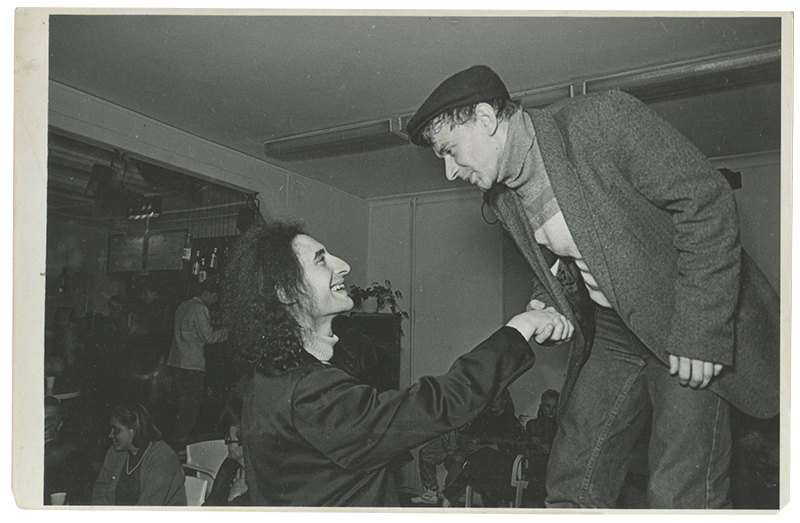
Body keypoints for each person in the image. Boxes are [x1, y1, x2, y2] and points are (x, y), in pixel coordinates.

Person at [406, 65, 779, 509]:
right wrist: (547, 300)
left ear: (485, 118)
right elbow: (563, 252)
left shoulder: (600, 120)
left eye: (449, 151)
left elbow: (707, 201)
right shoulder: (502, 194)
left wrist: (700, 331)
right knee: (572, 476)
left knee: (680, 492)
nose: (449, 172)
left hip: (682, 313)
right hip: (615, 327)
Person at [220, 222, 573, 506]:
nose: (343, 265)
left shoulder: (268, 379)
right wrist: (520, 329)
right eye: (321, 260)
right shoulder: (309, 392)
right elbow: (435, 405)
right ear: (285, 292)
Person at [166, 281, 229, 449]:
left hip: (178, 362)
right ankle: (179, 444)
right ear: (205, 293)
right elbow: (209, 337)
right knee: (190, 409)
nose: (215, 300)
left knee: (181, 407)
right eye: (214, 296)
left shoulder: (183, 306)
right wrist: (227, 332)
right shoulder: (200, 309)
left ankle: (177, 443)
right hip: (193, 364)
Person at [440, 388, 527, 507]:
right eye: (492, 399)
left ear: (504, 401)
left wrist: (480, 447)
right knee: (479, 462)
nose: (493, 402)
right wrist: (475, 440)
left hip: (503, 462)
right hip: (484, 462)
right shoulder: (486, 418)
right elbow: (476, 435)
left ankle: (450, 494)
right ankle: (487, 506)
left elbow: (507, 446)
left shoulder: (510, 420)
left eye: (497, 399)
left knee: (482, 456)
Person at [92, 403, 186, 505]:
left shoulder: (162, 456)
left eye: (116, 430)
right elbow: (101, 488)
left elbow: (149, 507)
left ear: (135, 429)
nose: (110, 435)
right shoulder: (115, 453)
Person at [203, 423, 250, 506]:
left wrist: (235, 498)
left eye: (230, 440)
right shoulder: (229, 464)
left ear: (242, 446)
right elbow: (213, 499)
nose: (226, 444)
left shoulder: (258, 474)